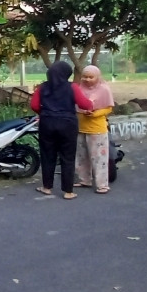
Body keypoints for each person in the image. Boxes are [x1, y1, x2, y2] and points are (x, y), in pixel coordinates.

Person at [29, 61, 94, 199]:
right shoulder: (72, 87)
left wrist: (44, 113)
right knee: (68, 157)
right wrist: (91, 104)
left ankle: (47, 187)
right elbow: (84, 104)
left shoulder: (42, 87)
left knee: (47, 156)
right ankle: (68, 191)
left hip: (47, 123)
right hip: (67, 124)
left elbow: (34, 105)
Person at [75, 65, 115, 194]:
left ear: (97, 77)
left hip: (97, 128)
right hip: (81, 127)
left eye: (91, 77)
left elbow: (109, 108)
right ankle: (85, 180)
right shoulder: (79, 89)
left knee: (99, 159)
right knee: (81, 157)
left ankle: (102, 185)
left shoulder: (104, 89)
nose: (87, 79)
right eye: (85, 76)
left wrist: (95, 114)